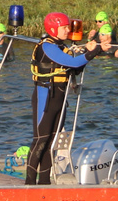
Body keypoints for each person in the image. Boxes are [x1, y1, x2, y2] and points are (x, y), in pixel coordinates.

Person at [26, 14, 101, 185]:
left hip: (60, 98)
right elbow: (72, 63)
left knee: (52, 142)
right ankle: (29, 183)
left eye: (68, 26)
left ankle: (44, 182)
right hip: (45, 97)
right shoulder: (47, 47)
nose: (68, 30)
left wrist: (90, 53)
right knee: (40, 140)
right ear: (53, 29)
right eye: (65, 27)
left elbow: (75, 69)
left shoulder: (62, 47)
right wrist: (95, 51)